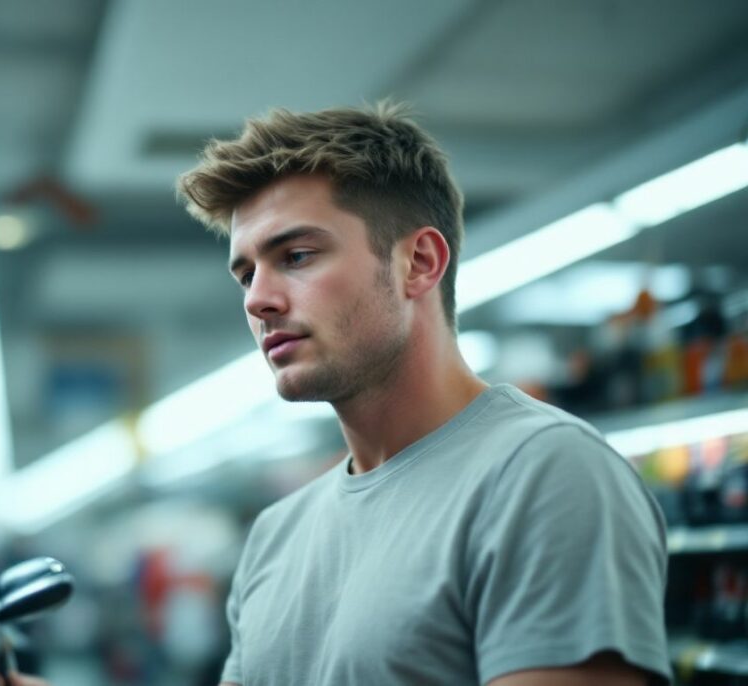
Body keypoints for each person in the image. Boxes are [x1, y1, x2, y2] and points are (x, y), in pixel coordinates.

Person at [175, 103, 670, 686]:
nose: (257, 299)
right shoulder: (276, 536)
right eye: (246, 274)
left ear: (420, 263)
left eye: (297, 256)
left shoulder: (543, 476)